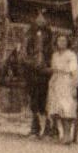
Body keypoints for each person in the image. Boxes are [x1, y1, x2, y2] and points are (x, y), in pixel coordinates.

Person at [46, 30, 78, 144]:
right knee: (57, 109)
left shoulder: (71, 55)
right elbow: (53, 69)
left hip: (66, 82)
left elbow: (75, 72)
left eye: (64, 41)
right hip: (56, 82)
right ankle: (59, 133)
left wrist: (74, 87)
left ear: (67, 42)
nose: (62, 43)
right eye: (59, 40)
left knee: (67, 109)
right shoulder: (54, 55)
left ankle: (67, 135)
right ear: (56, 42)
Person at [23, 10, 52, 138]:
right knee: (33, 94)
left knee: (46, 95)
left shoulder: (50, 35)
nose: (40, 19)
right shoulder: (29, 33)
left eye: (43, 17)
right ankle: (35, 124)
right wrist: (31, 61)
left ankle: (49, 126)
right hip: (32, 67)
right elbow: (25, 52)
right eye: (38, 17)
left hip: (46, 67)